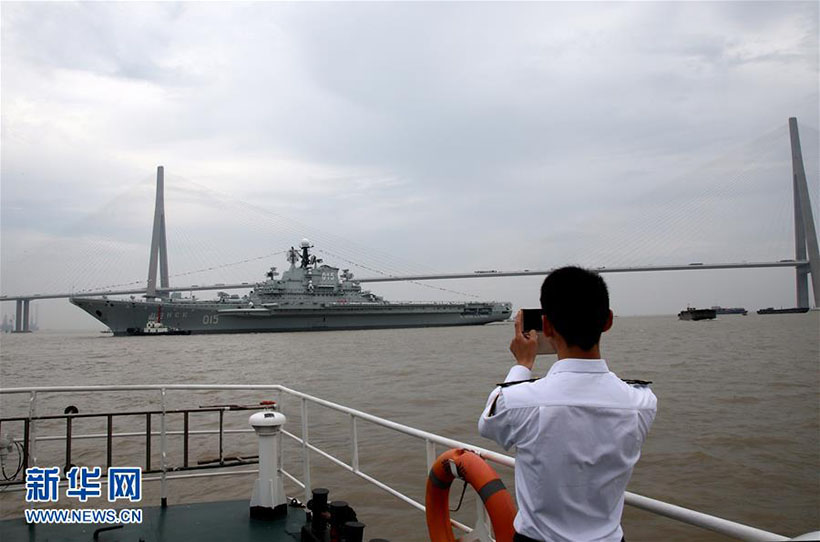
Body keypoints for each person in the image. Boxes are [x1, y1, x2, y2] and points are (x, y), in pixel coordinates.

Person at [478, 266, 657, 542]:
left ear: (546, 326)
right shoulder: (642, 403)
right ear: (608, 321)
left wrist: (523, 365)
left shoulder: (518, 401)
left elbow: (488, 424)